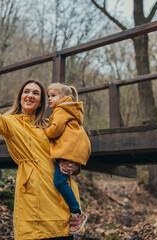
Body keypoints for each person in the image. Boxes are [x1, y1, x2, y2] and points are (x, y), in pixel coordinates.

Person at [0, 56, 81, 240]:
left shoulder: (51, 126)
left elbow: (75, 144)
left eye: (36, 93)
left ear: (41, 101)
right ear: (20, 96)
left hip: (60, 203)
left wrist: (76, 165)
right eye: (26, 91)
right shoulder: (10, 123)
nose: (30, 95)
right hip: (34, 205)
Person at [45, 83, 91, 235]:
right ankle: (75, 212)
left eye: (53, 95)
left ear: (64, 98)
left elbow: (56, 129)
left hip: (67, 153)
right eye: (48, 96)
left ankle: (77, 213)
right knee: (61, 181)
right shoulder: (70, 110)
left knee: (59, 181)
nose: (49, 99)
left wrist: (47, 132)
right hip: (72, 151)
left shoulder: (61, 110)